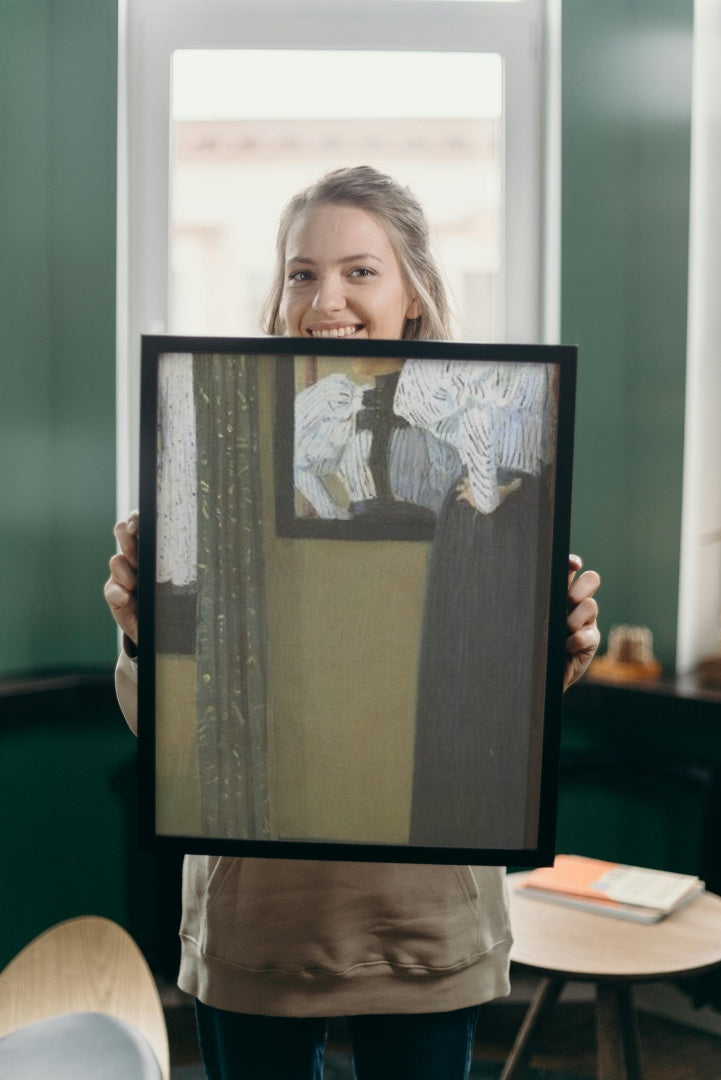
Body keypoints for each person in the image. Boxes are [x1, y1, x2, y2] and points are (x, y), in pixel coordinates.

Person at [105, 166, 601, 1080]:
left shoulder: (487, 434)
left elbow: (500, 711)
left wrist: (556, 649)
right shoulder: (213, 442)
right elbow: (169, 732)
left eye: (359, 271)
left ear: (412, 292)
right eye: (301, 272)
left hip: (424, 919)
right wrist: (143, 636)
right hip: (257, 921)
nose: (324, 297)